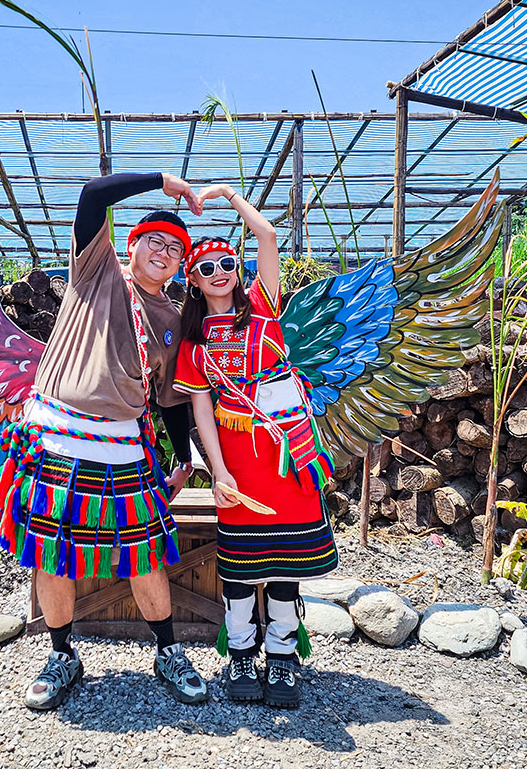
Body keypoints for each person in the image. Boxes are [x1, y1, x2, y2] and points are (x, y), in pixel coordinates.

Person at [0, 171, 208, 710]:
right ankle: (62, 655)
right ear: (130, 246)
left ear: (180, 266)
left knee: (145, 557)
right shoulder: (95, 271)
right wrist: (164, 182)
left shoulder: (173, 322)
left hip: (124, 449)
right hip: (56, 442)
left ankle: (167, 652)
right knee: (51, 558)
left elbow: (170, 399)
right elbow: (91, 194)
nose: (165, 250)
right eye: (154, 240)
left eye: (176, 248)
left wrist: (183, 459)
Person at [172, 184, 338, 708]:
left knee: (287, 567)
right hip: (239, 465)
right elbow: (202, 412)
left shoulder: (265, 309)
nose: (218, 272)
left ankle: (283, 657)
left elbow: (266, 233)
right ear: (192, 282)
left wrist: (227, 196)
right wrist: (218, 472)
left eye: (226, 262)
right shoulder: (194, 346)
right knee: (242, 567)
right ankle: (240, 654)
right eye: (206, 268)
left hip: (289, 458)